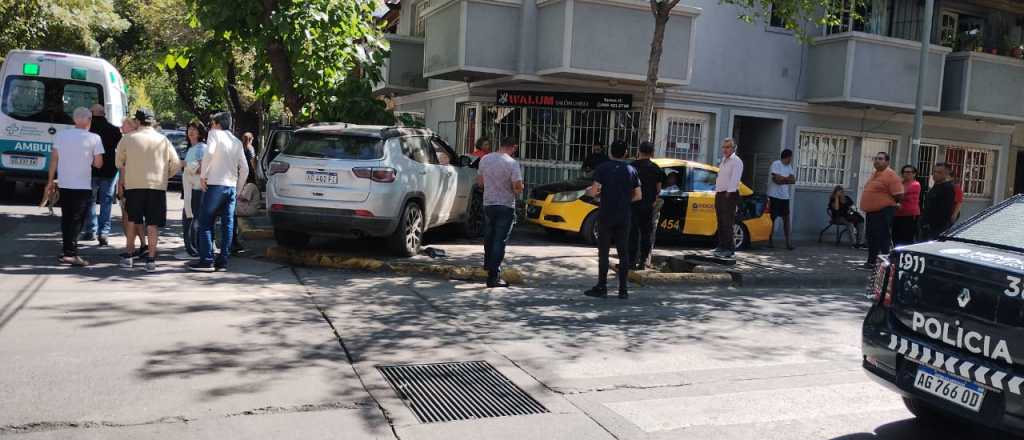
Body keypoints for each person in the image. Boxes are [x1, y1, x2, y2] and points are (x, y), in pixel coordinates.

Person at [115, 109, 181, 272]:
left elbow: (118, 162)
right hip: (157, 186)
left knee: (132, 221)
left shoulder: (128, 139)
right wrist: (165, 175)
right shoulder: (163, 140)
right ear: (152, 121)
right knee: (152, 224)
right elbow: (176, 163)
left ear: (137, 121)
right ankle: (151, 259)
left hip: (134, 185)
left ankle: (129, 255)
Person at [188, 112, 249, 272]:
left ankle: (206, 260)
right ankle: (222, 261)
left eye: (212, 123)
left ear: (216, 124)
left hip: (215, 185)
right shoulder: (236, 141)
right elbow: (245, 168)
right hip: (230, 187)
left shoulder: (214, 134)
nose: (210, 126)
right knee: (228, 225)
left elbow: (209, 153)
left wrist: (203, 175)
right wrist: (238, 189)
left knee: (205, 222)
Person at [46, 107, 104, 266]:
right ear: (88, 120)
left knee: (67, 219)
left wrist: (50, 181)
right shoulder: (94, 138)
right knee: (78, 220)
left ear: (74, 119)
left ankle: (67, 250)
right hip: (82, 185)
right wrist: (89, 158)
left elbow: (54, 160)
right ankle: (70, 254)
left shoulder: (61, 135)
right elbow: (99, 164)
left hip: (64, 183)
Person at [585, 140, 641, 299]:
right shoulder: (631, 170)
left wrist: (591, 193)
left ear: (610, 152)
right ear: (625, 153)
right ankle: (623, 290)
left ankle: (602, 287)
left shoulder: (603, 168)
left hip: (606, 214)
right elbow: (638, 195)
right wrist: (624, 200)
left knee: (604, 252)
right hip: (623, 215)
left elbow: (594, 191)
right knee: (623, 253)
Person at [476, 137, 523, 288]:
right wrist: (518, 189)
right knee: (499, 240)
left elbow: (480, 183)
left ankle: (488, 266)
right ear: (513, 147)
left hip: (488, 204)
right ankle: (493, 276)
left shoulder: (485, 159)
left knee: (489, 237)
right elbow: (517, 187)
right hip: (506, 205)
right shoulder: (512, 163)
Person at [82, 104, 122, 246]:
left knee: (90, 201)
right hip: (110, 172)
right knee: (106, 202)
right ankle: (104, 233)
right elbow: (120, 149)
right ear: (104, 114)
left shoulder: (88, 129)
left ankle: (91, 230)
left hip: (91, 170)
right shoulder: (114, 130)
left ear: (92, 113)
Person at [858, 151, 903, 269]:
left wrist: (887, 203)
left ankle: (886, 264)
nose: (877, 160)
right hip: (872, 212)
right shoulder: (875, 174)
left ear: (887, 162)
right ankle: (871, 262)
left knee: (882, 237)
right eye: (876, 158)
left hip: (884, 211)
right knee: (872, 237)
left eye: (881, 159)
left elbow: (898, 195)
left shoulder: (891, 175)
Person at [175, 121, 208, 260]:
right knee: (189, 219)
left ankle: (194, 250)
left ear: (200, 132)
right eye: (189, 128)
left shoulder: (201, 148)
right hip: (190, 190)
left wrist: (185, 164)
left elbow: (202, 169)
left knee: (192, 220)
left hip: (198, 190)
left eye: (194, 129)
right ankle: (192, 249)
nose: (191, 131)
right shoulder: (191, 148)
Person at [116, 116, 147, 259]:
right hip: (141, 183)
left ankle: (132, 248)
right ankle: (143, 245)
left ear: (131, 126)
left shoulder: (127, 140)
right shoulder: (140, 140)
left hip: (129, 184)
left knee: (128, 218)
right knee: (137, 217)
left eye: (123, 125)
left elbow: (123, 166)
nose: (121, 127)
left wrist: (120, 184)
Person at [629, 141, 663, 270]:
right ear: (652, 153)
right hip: (648, 206)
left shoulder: (631, 167)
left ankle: (631, 261)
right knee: (646, 234)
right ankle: (643, 261)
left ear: (639, 151)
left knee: (632, 233)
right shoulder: (656, 168)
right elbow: (658, 189)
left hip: (633, 204)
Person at [713, 138, 743, 258]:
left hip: (729, 194)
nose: (725, 149)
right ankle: (721, 246)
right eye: (724, 147)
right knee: (720, 221)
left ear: (733, 148)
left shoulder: (736, 161)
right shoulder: (724, 160)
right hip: (720, 193)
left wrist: (728, 193)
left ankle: (729, 248)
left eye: (728, 147)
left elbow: (735, 179)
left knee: (727, 222)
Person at [767, 148, 797, 250]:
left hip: (785, 197)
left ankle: (788, 242)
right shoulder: (776, 164)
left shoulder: (789, 167)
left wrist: (783, 178)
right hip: (774, 195)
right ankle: (769, 239)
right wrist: (786, 179)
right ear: (787, 157)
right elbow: (776, 180)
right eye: (790, 157)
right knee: (772, 219)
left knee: (786, 219)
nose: (791, 160)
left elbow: (793, 180)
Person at [922, 163, 956, 241]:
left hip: (938, 226)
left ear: (946, 174)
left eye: (939, 172)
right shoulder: (935, 186)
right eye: (934, 172)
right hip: (927, 225)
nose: (935, 174)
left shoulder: (948, 188)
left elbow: (946, 209)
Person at [892, 165, 921, 246]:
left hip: (910, 215)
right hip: (898, 214)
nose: (906, 174)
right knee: (896, 236)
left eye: (909, 172)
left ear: (914, 174)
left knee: (907, 238)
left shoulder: (915, 184)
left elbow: (901, 194)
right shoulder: (900, 183)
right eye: (904, 172)